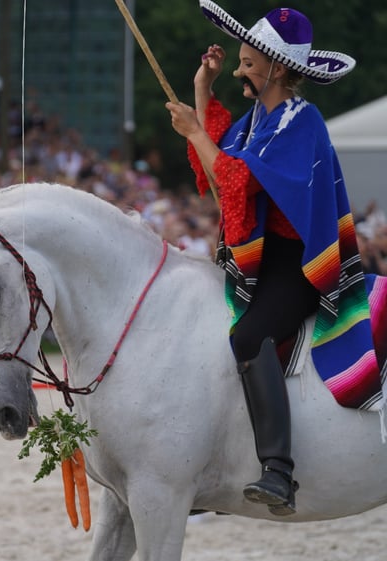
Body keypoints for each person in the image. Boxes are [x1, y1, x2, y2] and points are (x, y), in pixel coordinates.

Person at [167, 2, 378, 516]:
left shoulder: (300, 122)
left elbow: (237, 179)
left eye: (248, 65)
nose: (239, 71)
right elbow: (221, 162)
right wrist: (203, 88)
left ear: (278, 69)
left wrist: (195, 132)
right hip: (261, 261)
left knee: (246, 336)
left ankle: (278, 471)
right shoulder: (261, 118)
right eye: (238, 63)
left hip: (301, 264)